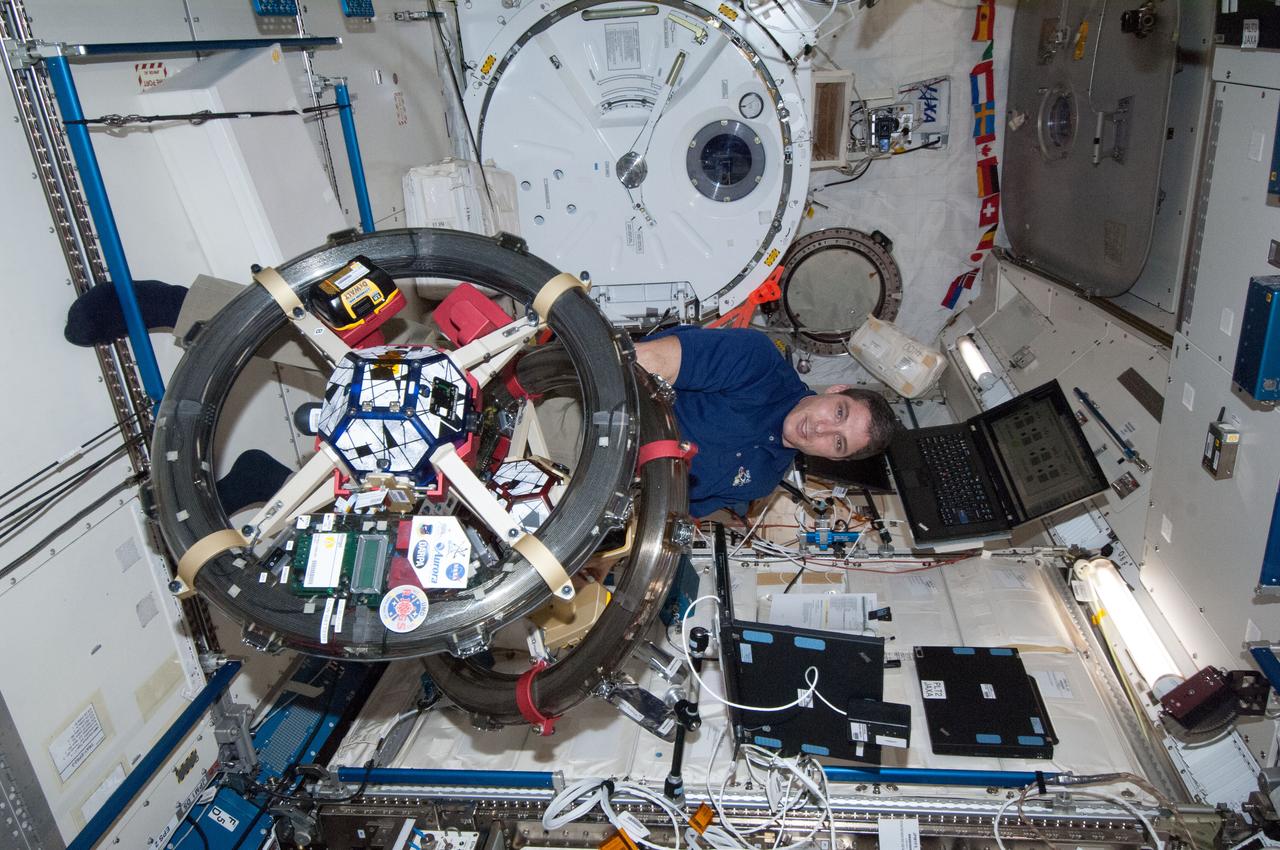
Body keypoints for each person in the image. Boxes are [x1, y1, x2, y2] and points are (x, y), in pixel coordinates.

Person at [634, 325, 899, 517]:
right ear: (837, 390)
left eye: (838, 442)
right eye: (839, 412)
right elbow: (644, 361)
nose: (821, 429)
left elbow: (667, 513)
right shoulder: (757, 361)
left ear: (834, 458)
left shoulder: (761, 481)